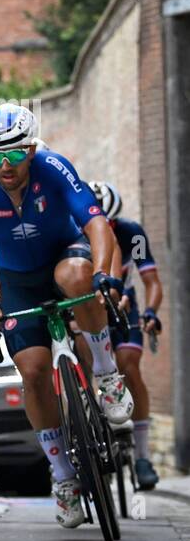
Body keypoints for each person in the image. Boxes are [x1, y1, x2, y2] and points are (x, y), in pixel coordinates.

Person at [0, 103, 133, 529]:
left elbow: (96, 226)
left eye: (14, 154)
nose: (5, 164)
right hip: (17, 278)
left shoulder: (54, 167)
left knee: (76, 277)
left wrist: (104, 273)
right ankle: (64, 476)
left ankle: (106, 375)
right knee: (32, 372)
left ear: (31, 149)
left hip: (63, 256)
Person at [90, 180, 163, 491]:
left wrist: (151, 312)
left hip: (124, 305)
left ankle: (143, 456)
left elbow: (152, 281)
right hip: (89, 306)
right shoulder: (74, 231)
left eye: (109, 224)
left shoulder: (132, 232)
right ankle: (88, 432)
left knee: (129, 365)